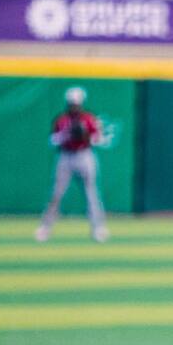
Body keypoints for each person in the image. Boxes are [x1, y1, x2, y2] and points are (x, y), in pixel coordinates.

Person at [35, 87, 109, 243]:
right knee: (56, 193)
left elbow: (99, 139)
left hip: (84, 155)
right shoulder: (62, 120)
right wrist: (66, 135)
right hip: (66, 156)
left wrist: (87, 136)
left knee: (91, 194)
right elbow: (52, 140)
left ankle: (98, 228)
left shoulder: (89, 119)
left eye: (76, 103)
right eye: (71, 104)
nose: (74, 106)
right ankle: (45, 228)